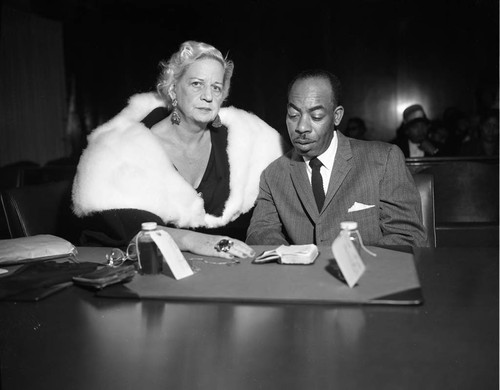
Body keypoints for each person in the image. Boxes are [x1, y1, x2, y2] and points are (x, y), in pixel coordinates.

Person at [72, 40, 284, 259]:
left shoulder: (243, 143)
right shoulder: (127, 149)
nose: (208, 96)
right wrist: (192, 241)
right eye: (196, 84)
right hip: (149, 265)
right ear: (173, 88)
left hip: (225, 266)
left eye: (216, 87)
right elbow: (128, 226)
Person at [246, 69, 426, 247]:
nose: (301, 127)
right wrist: (291, 259)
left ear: (337, 116)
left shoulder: (384, 160)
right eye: (293, 115)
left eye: (316, 116)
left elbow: (408, 236)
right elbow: (260, 232)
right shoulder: (273, 174)